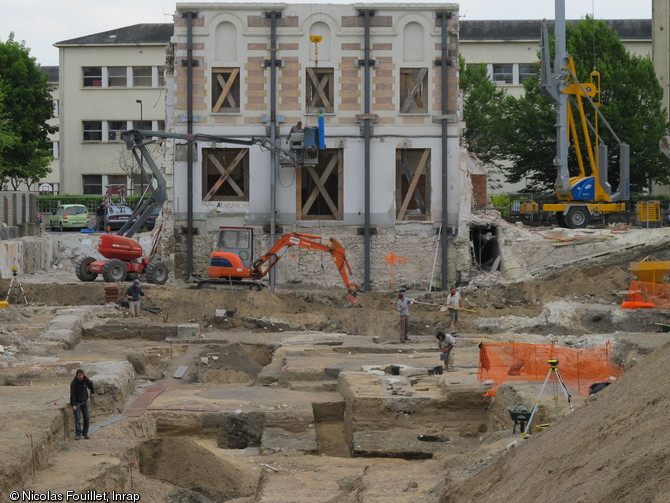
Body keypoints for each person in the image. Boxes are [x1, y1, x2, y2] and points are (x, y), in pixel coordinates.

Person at [69, 369, 95, 440]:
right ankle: (78, 434)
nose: (80, 376)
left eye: (82, 375)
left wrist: (92, 392)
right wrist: (73, 404)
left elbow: (91, 385)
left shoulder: (85, 380)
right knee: (77, 419)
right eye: (79, 375)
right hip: (77, 403)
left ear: (84, 375)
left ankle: (85, 433)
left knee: (86, 418)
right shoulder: (73, 383)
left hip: (84, 402)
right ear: (76, 376)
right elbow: (72, 395)